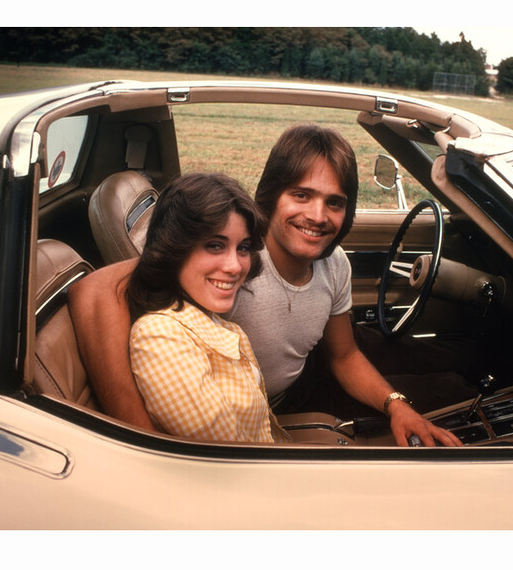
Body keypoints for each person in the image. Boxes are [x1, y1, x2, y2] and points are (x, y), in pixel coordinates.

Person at [68, 124, 462, 448]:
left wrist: (396, 404)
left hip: (312, 364)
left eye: (335, 203)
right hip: (275, 401)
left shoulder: (335, 264)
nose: (317, 216)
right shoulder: (235, 259)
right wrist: (144, 441)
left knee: (453, 358)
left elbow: (343, 356)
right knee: (450, 391)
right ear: (271, 196)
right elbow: (93, 290)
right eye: (301, 195)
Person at [126, 172, 285, 443]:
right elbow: (228, 456)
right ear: (174, 248)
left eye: (243, 248)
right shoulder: (159, 335)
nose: (235, 266)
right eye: (215, 246)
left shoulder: (211, 320)